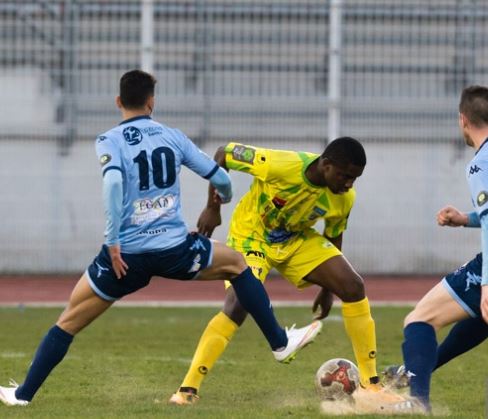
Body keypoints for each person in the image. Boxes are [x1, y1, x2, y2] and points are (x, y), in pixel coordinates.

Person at [0, 70, 321, 407]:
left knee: (68, 320)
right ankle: (279, 342)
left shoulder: (109, 140)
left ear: (118, 101)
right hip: (175, 250)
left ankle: (23, 395)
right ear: (151, 102)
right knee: (237, 265)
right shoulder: (173, 137)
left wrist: (112, 241)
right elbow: (221, 179)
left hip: (125, 257)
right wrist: (220, 201)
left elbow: (113, 183)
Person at [170, 136, 382, 405]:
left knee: (353, 286)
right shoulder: (281, 165)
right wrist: (213, 208)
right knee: (237, 305)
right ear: (326, 165)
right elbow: (224, 154)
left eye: (354, 178)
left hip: (295, 239)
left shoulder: (343, 198)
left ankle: (371, 385)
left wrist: (328, 289)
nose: (349, 184)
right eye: (345, 176)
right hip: (252, 236)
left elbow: (333, 235)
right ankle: (187, 390)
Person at [392, 85, 488, 413]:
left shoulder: (481, 163)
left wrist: (487, 282)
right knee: (480, 317)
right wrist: (465, 218)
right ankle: (415, 370)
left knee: (419, 319)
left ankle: (417, 400)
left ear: (463, 120)